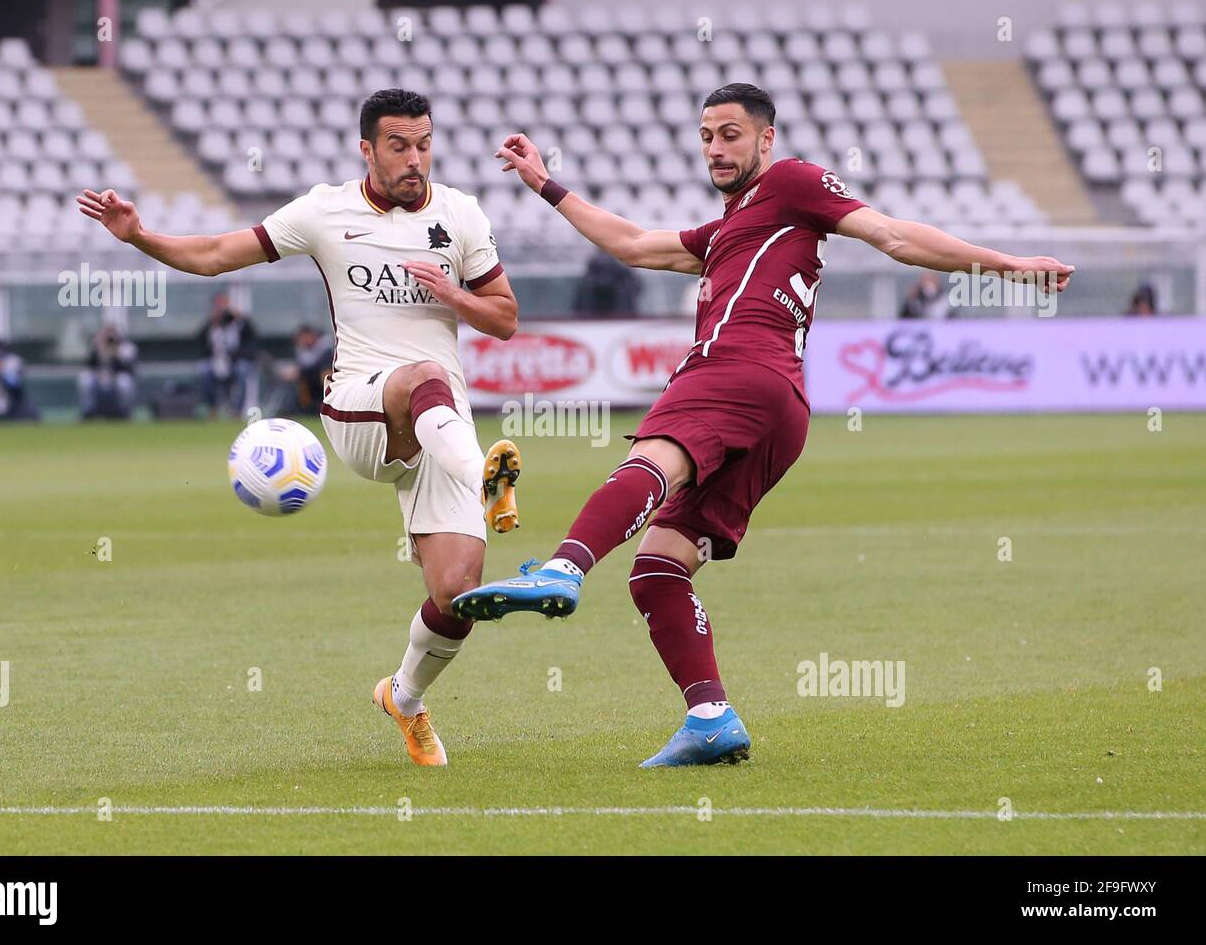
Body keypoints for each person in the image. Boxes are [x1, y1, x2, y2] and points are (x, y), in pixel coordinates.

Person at [454, 82, 1075, 767]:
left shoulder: (792, 184)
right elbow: (630, 243)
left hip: (736, 366)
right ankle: (711, 717)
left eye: (730, 134)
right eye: (706, 136)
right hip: (782, 411)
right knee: (660, 565)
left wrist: (1009, 266)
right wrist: (546, 184)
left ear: (766, 139)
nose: (716, 149)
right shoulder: (730, 229)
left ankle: (563, 570)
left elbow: (893, 235)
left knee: (656, 458)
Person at [78, 88, 522, 766]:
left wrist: (454, 293)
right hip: (360, 406)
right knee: (424, 374)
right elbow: (216, 255)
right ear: (367, 148)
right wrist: (139, 235)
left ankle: (402, 698)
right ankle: (490, 482)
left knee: (457, 592)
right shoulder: (324, 211)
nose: (415, 158)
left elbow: (505, 318)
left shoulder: (460, 213)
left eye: (425, 143)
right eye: (399, 145)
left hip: (442, 426)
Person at [197, 292, 257, 418]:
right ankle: (212, 409)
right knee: (204, 370)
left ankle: (236, 411)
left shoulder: (240, 323)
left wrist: (239, 318)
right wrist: (214, 322)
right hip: (216, 361)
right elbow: (201, 342)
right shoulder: (211, 324)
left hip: (236, 360)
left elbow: (252, 339)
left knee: (242, 369)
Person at [78, 324, 138, 419]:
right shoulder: (98, 345)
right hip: (99, 377)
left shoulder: (126, 347)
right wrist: (98, 348)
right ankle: (88, 411)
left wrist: (115, 354)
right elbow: (88, 365)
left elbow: (129, 369)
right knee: (85, 378)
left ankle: (125, 412)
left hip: (117, 377)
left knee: (124, 381)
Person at [276, 323, 331, 416]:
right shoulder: (303, 349)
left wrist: (299, 372)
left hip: (322, 380)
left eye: (304, 337)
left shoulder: (325, 347)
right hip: (309, 381)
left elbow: (320, 366)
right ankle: (289, 408)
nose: (302, 340)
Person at [571, 249, 641, 317]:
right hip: (593, 306)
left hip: (619, 306)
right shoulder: (594, 263)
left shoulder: (622, 267)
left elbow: (635, 286)